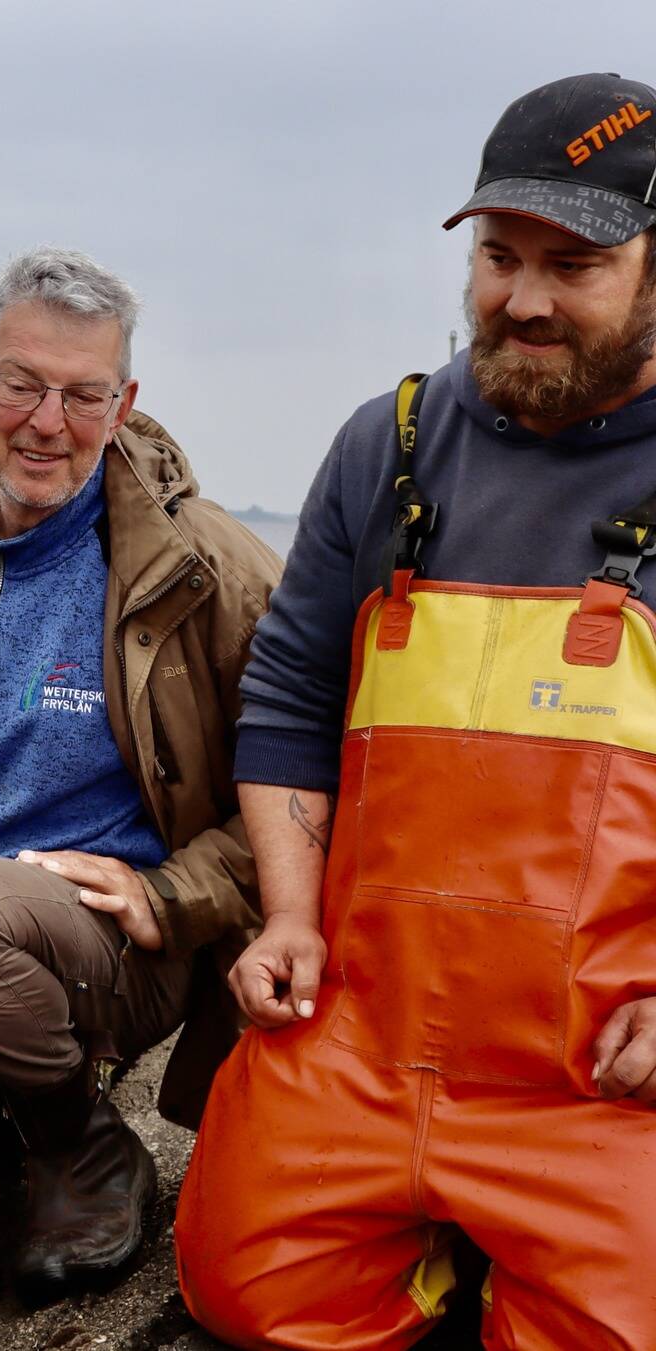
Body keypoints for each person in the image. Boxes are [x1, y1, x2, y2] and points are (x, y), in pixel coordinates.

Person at [177, 72, 656, 1349]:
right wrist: (286, 916)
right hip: (367, 1030)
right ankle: (448, 1243)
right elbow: (284, 693)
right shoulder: (386, 442)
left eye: (577, 263)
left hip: (598, 1068)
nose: (525, 299)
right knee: (238, 1286)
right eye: (499, 256)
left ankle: (514, 1258)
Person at [0, 247, 281, 1295]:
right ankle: (2, 1126)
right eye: (20, 384)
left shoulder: (212, 573)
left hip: (111, 938)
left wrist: (174, 892)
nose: (45, 421)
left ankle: (80, 1140)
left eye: (81, 395)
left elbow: (312, 789)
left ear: (122, 402)